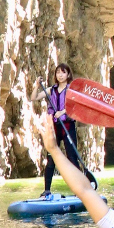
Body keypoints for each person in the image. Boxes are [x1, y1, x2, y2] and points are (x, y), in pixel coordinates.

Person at [43, 63, 96, 197]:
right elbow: (33, 97)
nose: (60, 75)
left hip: (67, 125)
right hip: (55, 126)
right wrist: (38, 85)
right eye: (58, 73)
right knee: (51, 159)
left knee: (72, 157)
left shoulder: (71, 89)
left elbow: (77, 104)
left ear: (68, 74)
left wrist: (63, 111)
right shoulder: (51, 89)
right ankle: (46, 190)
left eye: (63, 72)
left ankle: (81, 190)